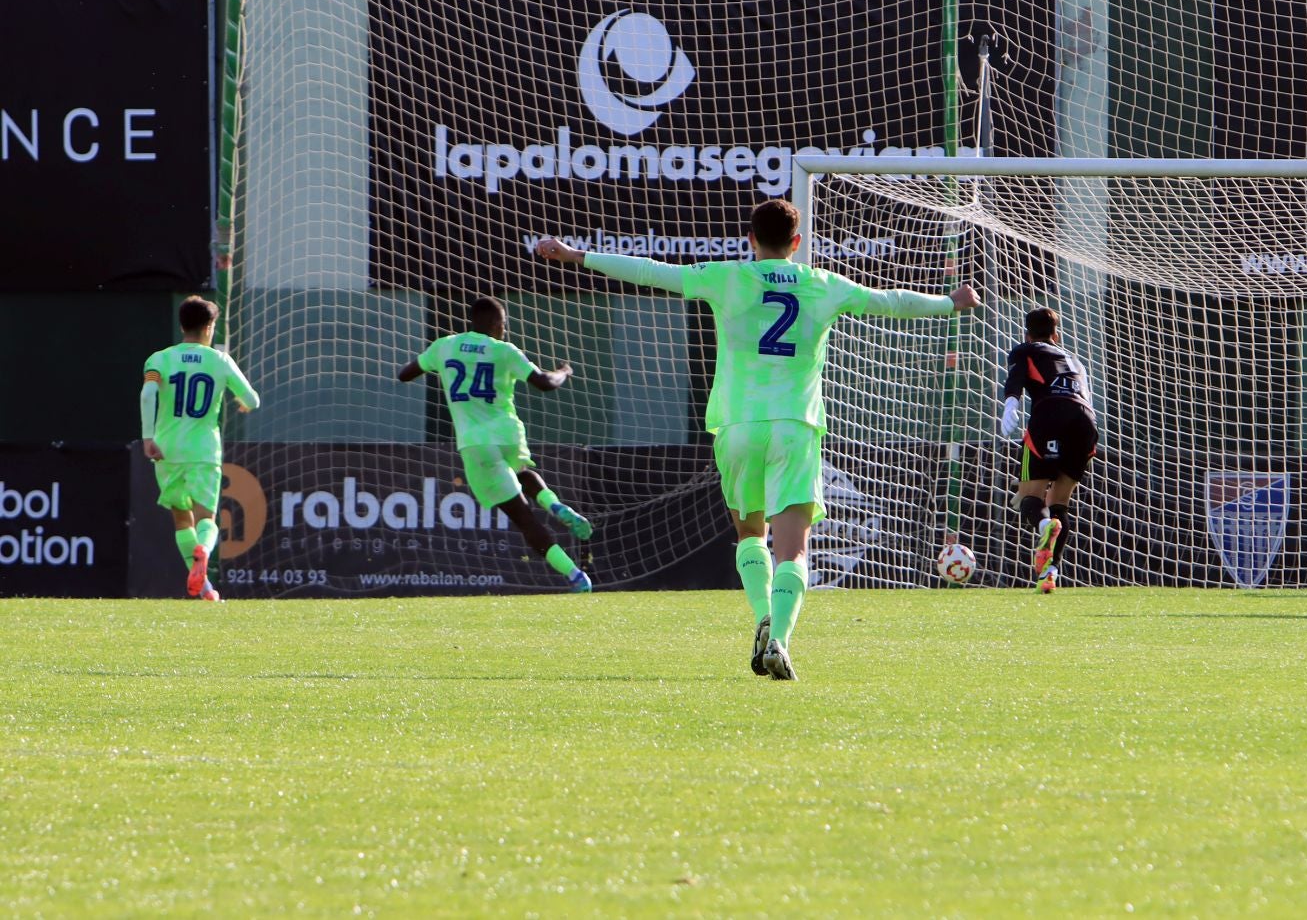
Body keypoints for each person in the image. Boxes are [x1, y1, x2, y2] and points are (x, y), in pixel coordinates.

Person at [536, 200, 981, 680]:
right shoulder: (822, 283)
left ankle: (761, 618)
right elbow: (891, 301)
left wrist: (576, 255)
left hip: (739, 425)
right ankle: (782, 638)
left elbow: (651, 271)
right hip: (795, 426)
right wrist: (949, 302)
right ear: (797, 242)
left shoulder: (727, 278)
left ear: (750, 240)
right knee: (794, 551)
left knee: (750, 535)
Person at [398, 297, 592, 593]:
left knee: (523, 518)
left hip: (476, 443)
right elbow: (544, 383)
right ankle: (554, 504)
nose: (505, 330)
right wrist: (564, 372)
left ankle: (575, 575)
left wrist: (445, 369)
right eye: (504, 325)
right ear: (497, 324)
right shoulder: (504, 351)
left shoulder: (444, 346)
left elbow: (405, 374)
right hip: (508, 433)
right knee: (521, 470)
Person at [141, 296, 261, 603]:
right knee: (206, 518)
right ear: (209, 327)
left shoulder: (160, 359)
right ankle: (204, 552)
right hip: (204, 450)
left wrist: (147, 437)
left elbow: (147, 395)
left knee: (182, 518)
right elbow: (252, 399)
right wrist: (242, 403)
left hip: (167, 449)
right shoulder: (219, 361)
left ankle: (206, 590)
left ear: (182, 325)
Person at [1000, 307, 1097, 593]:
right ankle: (1050, 571)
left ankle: (1044, 528)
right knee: (1059, 502)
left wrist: (1011, 405)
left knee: (1030, 498)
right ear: (1056, 334)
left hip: (1050, 416)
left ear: (1027, 333)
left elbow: (1016, 379)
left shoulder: (1025, 349)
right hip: (1086, 422)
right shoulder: (1076, 361)